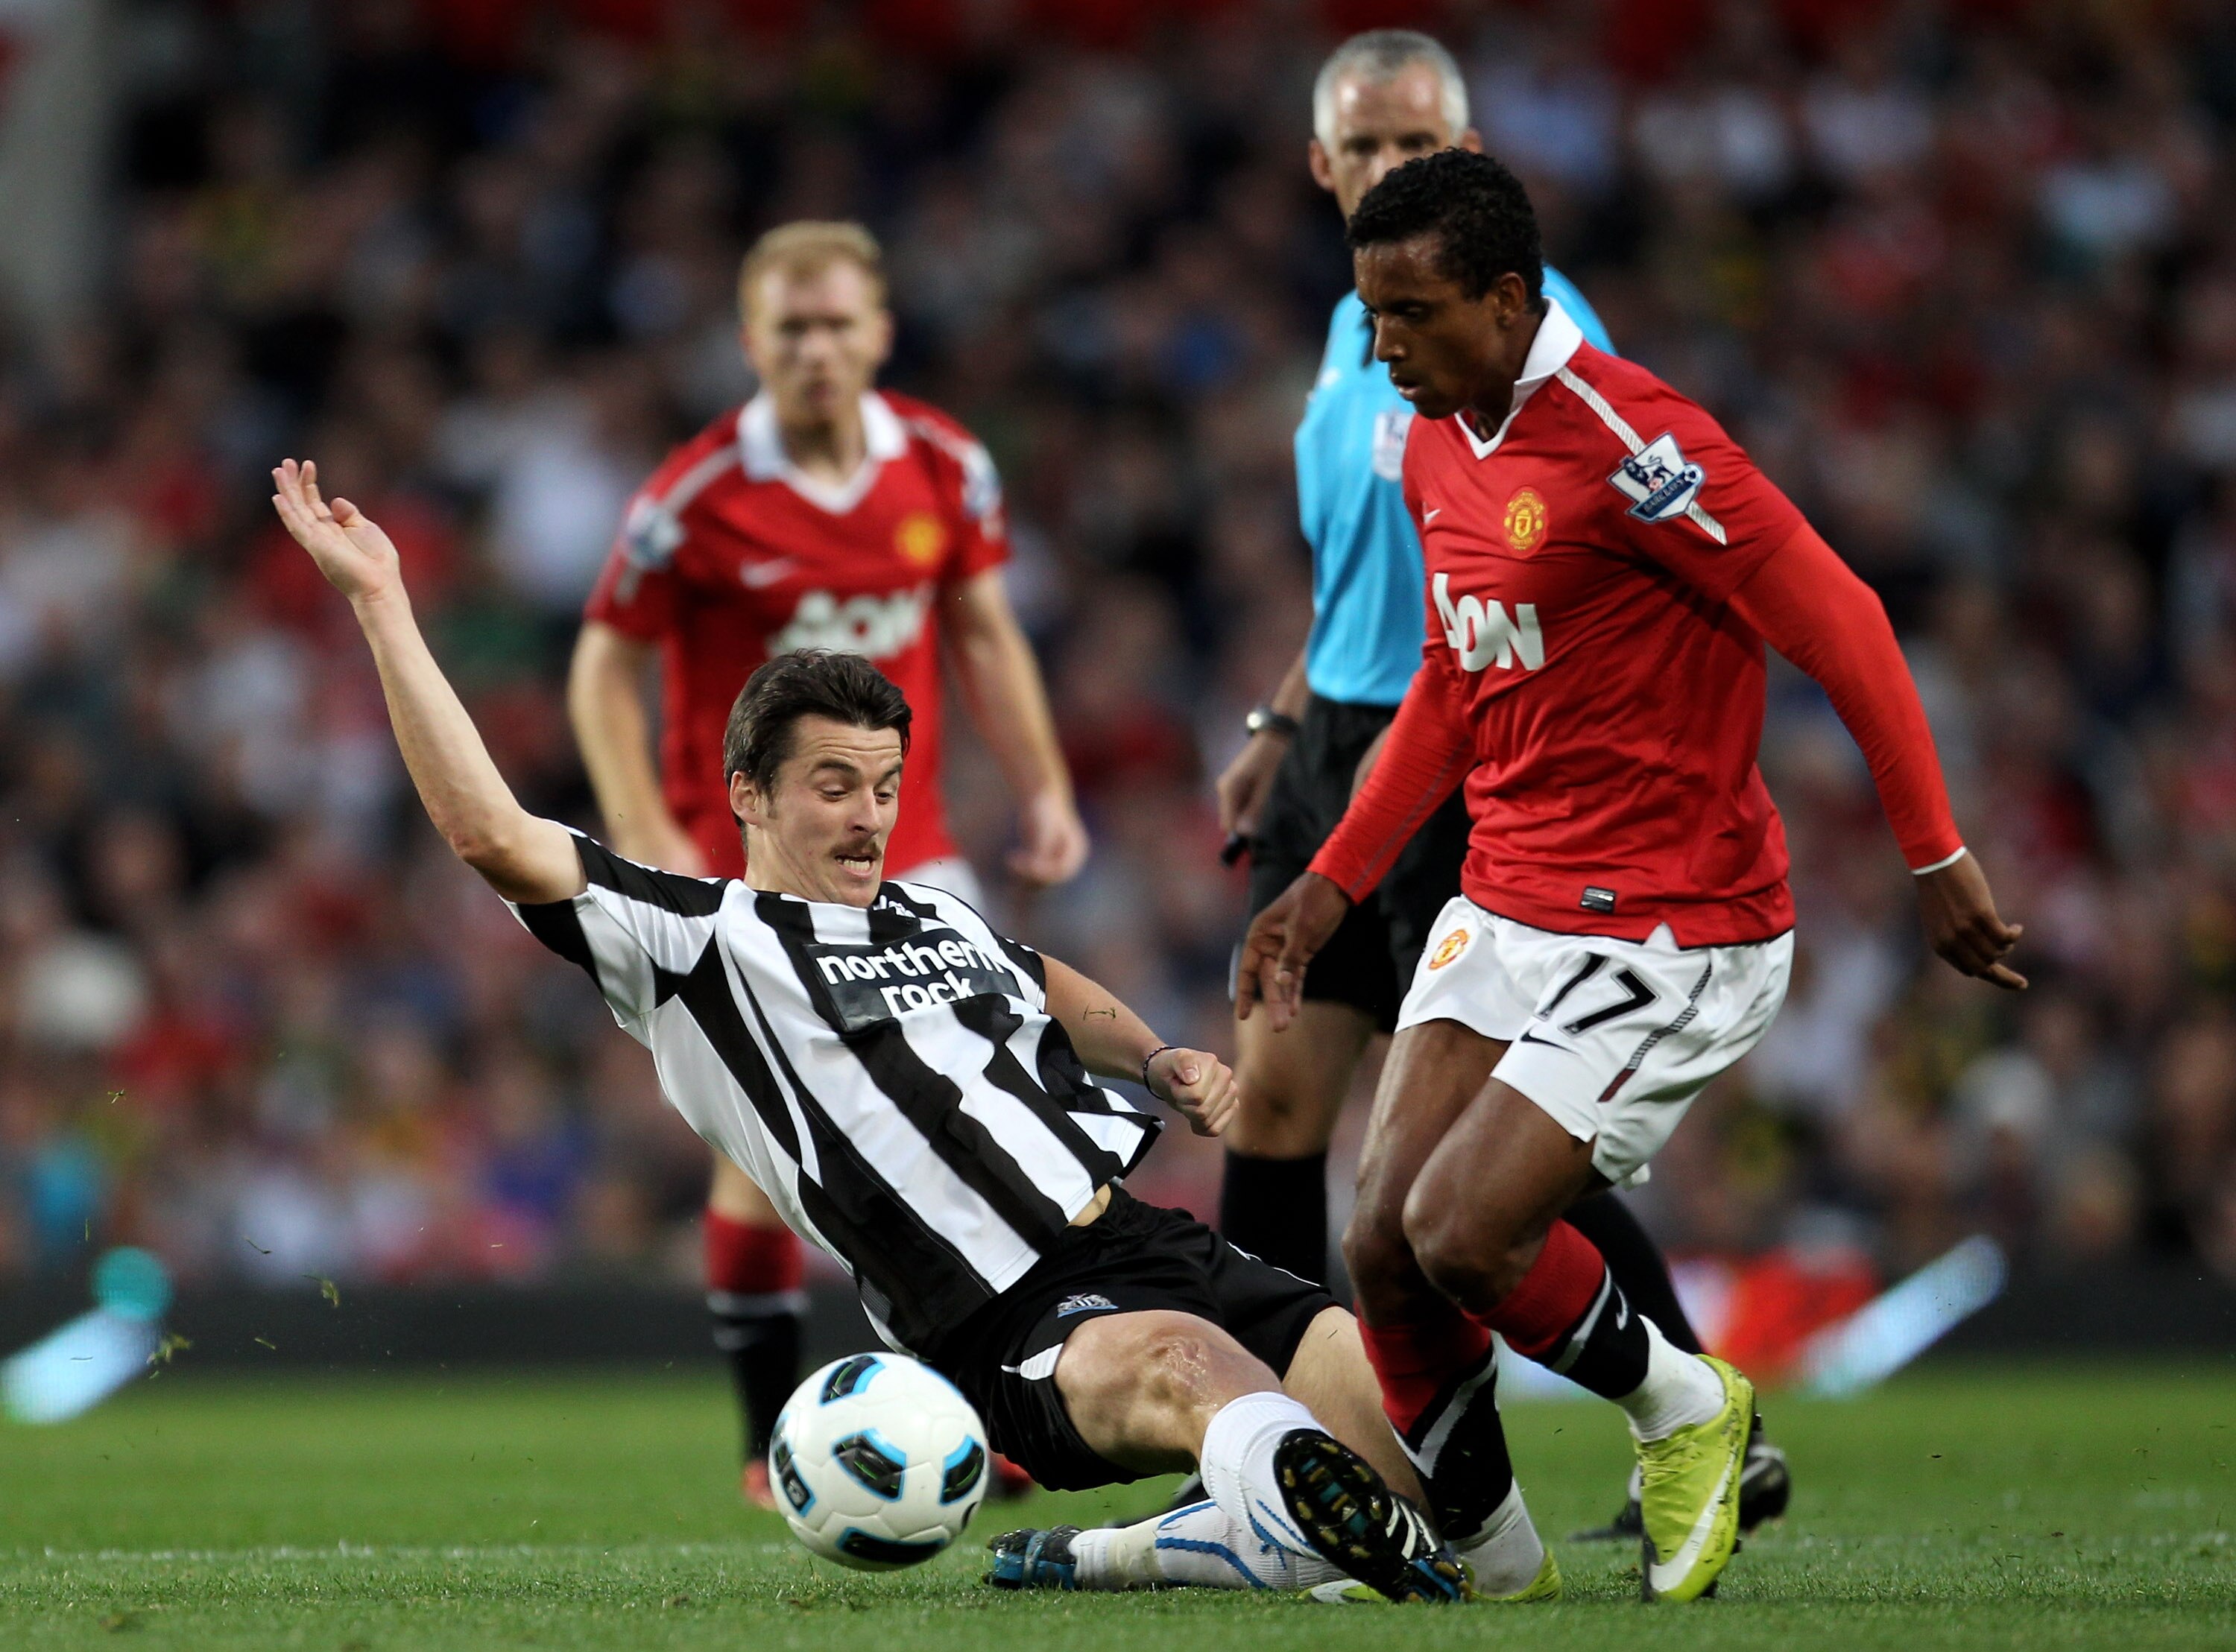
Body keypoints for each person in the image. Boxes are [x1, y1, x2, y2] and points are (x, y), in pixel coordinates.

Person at [266, 457, 1549, 1605]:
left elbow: (1038, 978)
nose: (870, 815)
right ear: (748, 793)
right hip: (1006, 1322)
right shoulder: (695, 941)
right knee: (1203, 1376)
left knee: (1465, 1531)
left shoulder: (934, 909)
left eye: (884, 784)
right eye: (833, 786)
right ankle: (1271, 1510)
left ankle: (1169, 1545)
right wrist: (382, 600)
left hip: (1153, 1239)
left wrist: (1154, 1056)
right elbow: (492, 832)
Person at [1239, 149, 2025, 1604]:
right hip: (1508, 894)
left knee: (1468, 1230)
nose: (1384, 346)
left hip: (1673, 919)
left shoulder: (1629, 438)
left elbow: (1842, 618)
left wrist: (1936, 851)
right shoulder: (1430, 438)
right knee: (1381, 1241)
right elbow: (1450, 681)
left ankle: (1687, 1408)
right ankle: (1485, 1552)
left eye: (1412, 314)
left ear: (1508, 297)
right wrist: (1334, 879)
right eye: (1368, 314)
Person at [1214, 28, 1784, 1540]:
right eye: (1372, 146)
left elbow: (1506, 601)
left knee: (1469, 1159)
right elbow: (1368, 570)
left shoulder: (1513, 326)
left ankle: (1696, 1395)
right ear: (1321, 165)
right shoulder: (1363, 327)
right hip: (1336, 728)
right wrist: (1277, 719)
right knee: (1277, 1100)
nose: (1396, 168)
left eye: (1424, 143)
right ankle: (1298, 1429)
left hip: (1464, 751)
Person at [567, 221, 1087, 1504]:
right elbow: (601, 661)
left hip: (912, 857)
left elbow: (981, 627)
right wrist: (639, 822)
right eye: (791, 328)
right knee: (775, 1147)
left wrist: (1046, 783)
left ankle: (984, 1407)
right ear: (752, 341)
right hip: (751, 867)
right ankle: (766, 1440)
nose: (816, 349)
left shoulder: (945, 467)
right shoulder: (697, 495)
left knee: (979, 1126)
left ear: (880, 331)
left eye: (838, 324)